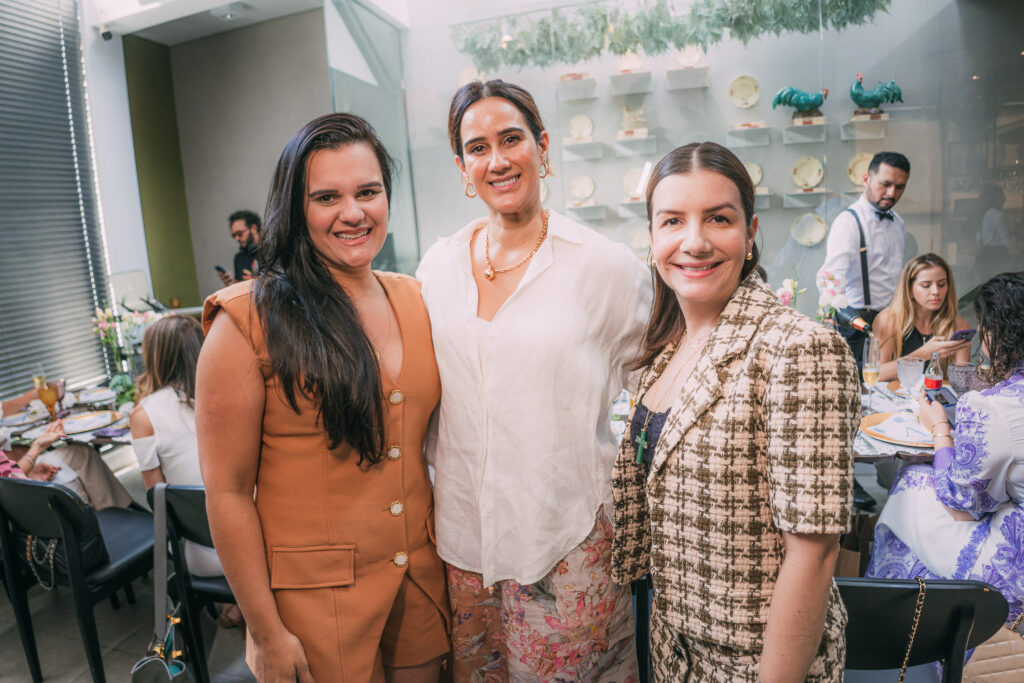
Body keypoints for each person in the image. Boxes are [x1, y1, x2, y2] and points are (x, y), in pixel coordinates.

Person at [197, 113, 448, 682]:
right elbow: (228, 493)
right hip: (314, 606)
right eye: (327, 197)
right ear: (295, 207)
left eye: (368, 192)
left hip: (418, 581)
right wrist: (265, 631)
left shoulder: (415, 299)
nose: (353, 213)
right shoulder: (247, 320)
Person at [416, 79, 650, 680]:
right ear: (462, 166)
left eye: (511, 139)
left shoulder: (604, 267)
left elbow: (661, 380)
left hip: (567, 538)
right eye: (477, 148)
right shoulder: (438, 268)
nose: (497, 160)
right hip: (464, 542)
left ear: (542, 147)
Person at [611, 142, 859, 681]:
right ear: (652, 238)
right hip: (675, 651)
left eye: (718, 219)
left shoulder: (799, 348)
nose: (694, 241)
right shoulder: (671, 346)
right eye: (672, 221)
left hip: (755, 663)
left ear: (749, 235)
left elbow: (815, 553)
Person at [867, 272, 1024, 640]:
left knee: (910, 483)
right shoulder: (892, 321)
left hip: (1012, 566)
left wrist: (939, 427)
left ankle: (898, 624)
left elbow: (961, 503)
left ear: (998, 334)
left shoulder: (992, 406)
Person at [130, 314, 226, 576]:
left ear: (155, 357)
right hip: (261, 539)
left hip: (207, 553)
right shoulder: (230, 392)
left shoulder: (144, 416)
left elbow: (159, 501)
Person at [817, 151, 911, 364]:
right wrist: (836, 313)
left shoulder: (898, 223)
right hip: (857, 324)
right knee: (858, 381)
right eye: (885, 184)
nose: (891, 193)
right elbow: (831, 276)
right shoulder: (849, 221)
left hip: (892, 320)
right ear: (866, 179)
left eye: (900, 187)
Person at [873, 253, 971, 382]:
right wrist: (922, 354)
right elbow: (876, 375)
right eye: (926, 285)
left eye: (941, 284)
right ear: (909, 289)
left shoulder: (958, 325)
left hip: (938, 394)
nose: (936, 291)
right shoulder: (889, 320)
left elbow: (961, 382)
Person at [0, 420, 133, 509]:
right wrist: (35, 450)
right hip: (10, 493)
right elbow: (8, 478)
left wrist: (27, 467)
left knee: (80, 454)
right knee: (66, 472)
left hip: (13, 472)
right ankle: (94, 524)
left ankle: (113, 512)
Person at [217, 209, 261, 285]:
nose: (237, 238)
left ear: (254, 228)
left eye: (240, 233)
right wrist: (231, 284)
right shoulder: (239, 258)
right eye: (234, 235)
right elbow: (239, 285)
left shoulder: (271, 252)